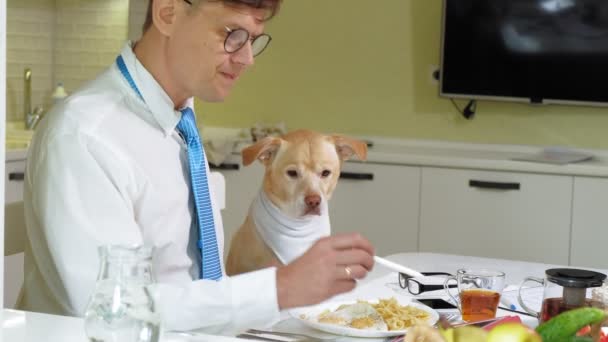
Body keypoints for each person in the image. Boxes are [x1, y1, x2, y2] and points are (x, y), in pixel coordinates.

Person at [19, 0, 375, 334]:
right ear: (169, 12)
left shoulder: (178, 123)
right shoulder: (85, 135)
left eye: (252, 39)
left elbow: (186, 283)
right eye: (232, 34)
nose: (248, 58)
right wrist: (280, 288)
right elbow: (117, 310)